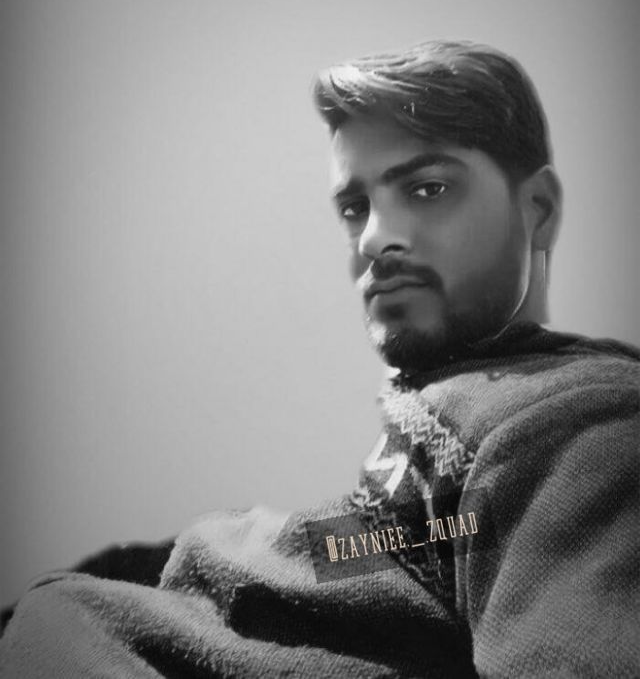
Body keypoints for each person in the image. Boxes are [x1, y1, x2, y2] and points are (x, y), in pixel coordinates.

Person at [1, 40, 638, 677]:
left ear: (538, 209)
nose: (374, 238)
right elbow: (380, 551)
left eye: (428, 188)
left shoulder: (578, 420)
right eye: (355, 208)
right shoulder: (464, 441)